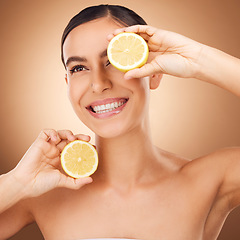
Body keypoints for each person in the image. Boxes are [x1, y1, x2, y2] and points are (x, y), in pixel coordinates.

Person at [0, 4, 240, 240]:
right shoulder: (42, 191)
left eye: (113, 61)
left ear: (154, 73)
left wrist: (197, 59)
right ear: (67, 84)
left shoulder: (209, 180)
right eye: (79, 68)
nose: (98, 83)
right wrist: (17, 182)